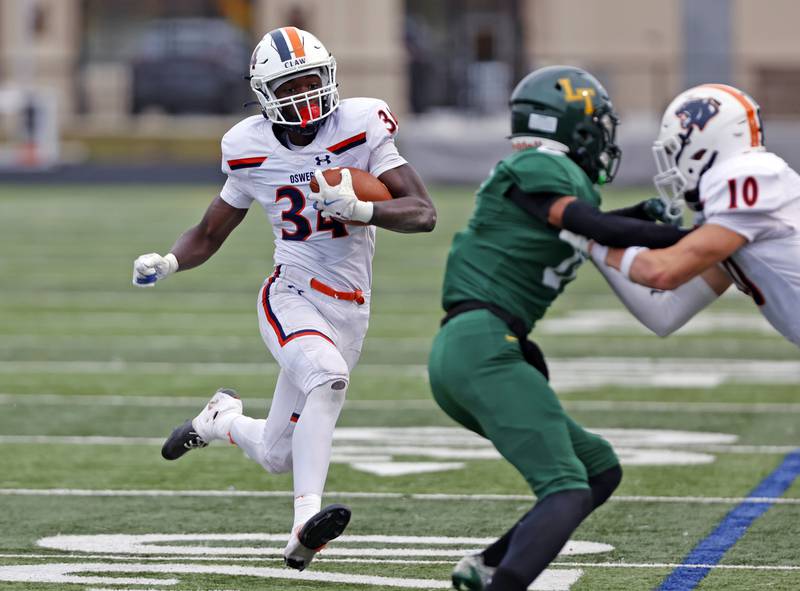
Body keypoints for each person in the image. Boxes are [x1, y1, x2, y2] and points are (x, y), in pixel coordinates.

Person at [131, 26, 436, 571]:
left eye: (311, 80)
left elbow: (423, 213)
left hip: (351, 306)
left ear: (330, 76)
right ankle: (303, 524)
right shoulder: (248, 147)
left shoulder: (361, 125)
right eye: (289, 86)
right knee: (328, 378)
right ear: (264, 94)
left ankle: (219, 420)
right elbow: (210, 231)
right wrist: (170, 261)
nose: (304, 94)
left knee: (276, 453)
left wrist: (363, 210)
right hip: (291, 293)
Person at [426, 65, 697, 591]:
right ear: (570, 128)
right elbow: (593, 226)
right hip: (481, 347)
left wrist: (642, 216)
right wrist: (695, 239)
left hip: (482, 347)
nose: (603, 140)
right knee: (566, 489)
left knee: (598, 469)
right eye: (596, 128)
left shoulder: (547, 182)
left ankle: (486, 567)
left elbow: (586, 225)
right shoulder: (537, 165)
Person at [560, 83, 800, 347]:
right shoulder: (736, 220)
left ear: (702, 144)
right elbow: (664, 313)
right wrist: (591, 244)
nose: (673, 164)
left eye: (674, 151)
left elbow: (662, 271)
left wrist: (588, 234)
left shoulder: (749, 177)